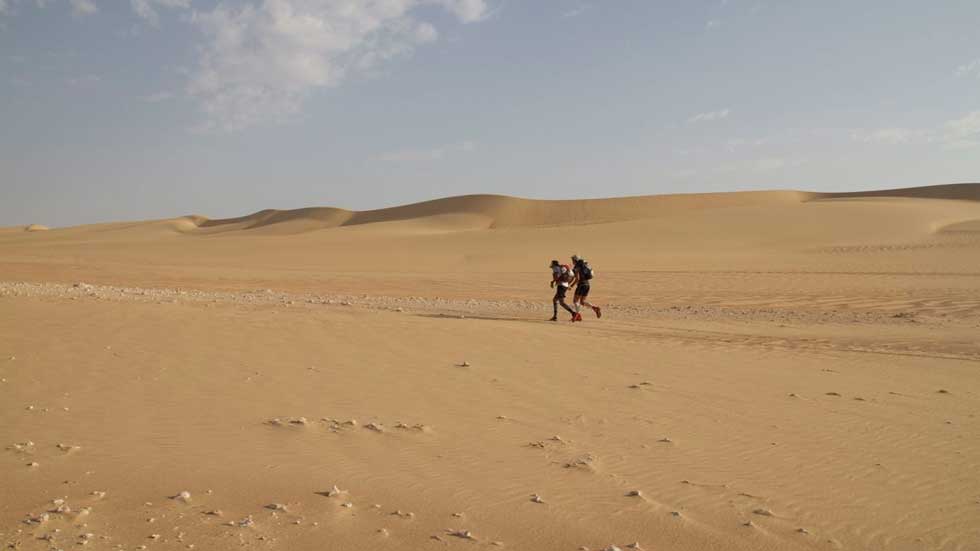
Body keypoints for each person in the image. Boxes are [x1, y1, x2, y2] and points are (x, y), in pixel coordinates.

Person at [570, 254, 601, 321]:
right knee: (582, 302)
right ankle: (595, 308)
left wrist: (571, 286)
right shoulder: (584, 265)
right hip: (587, 285)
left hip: (581, 284)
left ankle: (577, 316)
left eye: (572, 260)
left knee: (575, 301)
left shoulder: (577, 266)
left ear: (575, 260)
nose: (572, 261)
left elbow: (577, 279)